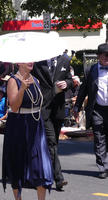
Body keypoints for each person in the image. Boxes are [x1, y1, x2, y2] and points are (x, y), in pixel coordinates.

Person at [2, 62, 53, 200]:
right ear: (19, 63)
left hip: (36, 124)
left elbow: (40, 101)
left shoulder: (36, 80)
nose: (31, 62)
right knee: (17, 163)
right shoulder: (13, 81)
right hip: (18, 125)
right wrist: (22, 89)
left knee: (41, 165)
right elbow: (14, 106)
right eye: (27, 59)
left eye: (32, 59)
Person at [32, 56, 73, 190]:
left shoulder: (65, 60)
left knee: (53, 144)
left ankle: (40, 174)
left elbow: (69, 79)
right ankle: (58, 178)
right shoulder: (38, 61)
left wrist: (67, 84)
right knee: (51, 143)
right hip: (43, 107)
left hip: (58, 108)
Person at [74, 43, 108, 179]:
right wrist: (77, 106)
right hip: (97, 109)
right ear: (99, 56)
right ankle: (102, 167)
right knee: (99, 138)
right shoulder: (91, 70)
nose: (107, 58)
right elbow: (83, 90)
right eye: (105, 55)